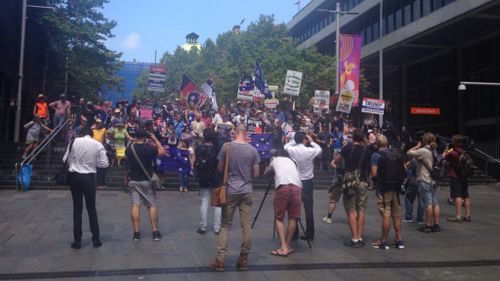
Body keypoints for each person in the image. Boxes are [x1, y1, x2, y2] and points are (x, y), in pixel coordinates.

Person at [211, 124, 260, 272]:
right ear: (246, 133)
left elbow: (220, 168)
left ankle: (220, 260)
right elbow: (256, 174)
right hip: (246, 190)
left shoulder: (227, 147)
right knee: (246, 225)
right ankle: (244, 258)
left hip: (231, 190)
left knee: (226, 225)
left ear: (235, 133)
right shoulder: (253, 150)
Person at [63, 127, 109, 249]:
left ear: (82, 134)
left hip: (75, 177)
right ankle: (96, 238)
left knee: (77, 209)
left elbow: (65, 159)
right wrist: (93, 163)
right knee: (91, 208)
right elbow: (105, 163)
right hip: (89, 177)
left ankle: (77, 241)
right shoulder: (97, 144)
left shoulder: (73, 142)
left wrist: (75, 162)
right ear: (92, 135)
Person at [125, 130, 166, 242]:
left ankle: (136, 233)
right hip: (146, 181)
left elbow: (127, 154)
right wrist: (155, 139)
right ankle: (155, 231)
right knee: (151, 205)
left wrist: (132, 141)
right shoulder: (149, 149)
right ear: (145, 137)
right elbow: (162, 152)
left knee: (135, 205)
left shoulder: (129, 149)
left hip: (133, 180)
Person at [333, 129, 370, 248]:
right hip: (363, 181)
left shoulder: (347, 147)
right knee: (361, 210)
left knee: (351, 210)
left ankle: (354, 238)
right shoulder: (366, 150)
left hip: (350, 182)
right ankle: (360, 237)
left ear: (353, 138)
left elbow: (336, 161)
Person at [284, 131, 322, 241]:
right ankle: (310, 234)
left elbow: (286, 146)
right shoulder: (310, 151)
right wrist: (311, 141)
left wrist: (294, 141)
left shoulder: (292, 149)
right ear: (304, 139)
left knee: (294, 207)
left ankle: (294, 232)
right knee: (308, 208)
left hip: (295, 181)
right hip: (307, 182)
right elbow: (319, 149)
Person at [265, 149, 302, 257]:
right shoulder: (293, 160)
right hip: (296, 187)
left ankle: (283, 247)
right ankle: (288, 245)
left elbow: (266, 173)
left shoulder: (275, 159)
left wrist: (270, 163)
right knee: (293, 217)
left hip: (283, 186)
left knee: (279, 217)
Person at [370, 135, 405, 250]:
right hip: (395, 187)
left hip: (384, 189)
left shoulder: (376, 155)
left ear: (377, 144)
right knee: (396, 214)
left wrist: (377, 182)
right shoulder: (395, 154)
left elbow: (374, 173)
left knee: (386, 214)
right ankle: (399, 240)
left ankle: (384, 241)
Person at [407, 132, 441, 233]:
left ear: (425, 140)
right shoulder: (435, 150)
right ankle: (436, 224)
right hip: (434, 179)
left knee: (428, 203)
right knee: (435, 203)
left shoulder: (424, 150)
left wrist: (417, 146)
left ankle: (428, 225)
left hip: (425, 178)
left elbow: (409, 152)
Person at [195, 128, 222, 235]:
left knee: (204, 201)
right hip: (216, 176)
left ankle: (203, 226)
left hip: (204, 176)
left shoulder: (199, 148)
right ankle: (217, 228)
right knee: (217, 203)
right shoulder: (217, 148)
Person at [444, 135, 471, 222]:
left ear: (454, 142)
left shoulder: (453, 153)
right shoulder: (464, 152)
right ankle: (467, 215)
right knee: (466, 195)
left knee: (457, 195)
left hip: (455, 175)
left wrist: (447, 149)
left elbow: (444, 157)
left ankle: (458, 216)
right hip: (464, 176)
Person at [91, 119, 108, 188]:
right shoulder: (92, 130)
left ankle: (100, 182)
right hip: (92, 148)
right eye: (97, 123)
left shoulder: (104, 129)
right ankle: (94, 182)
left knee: (101, 166)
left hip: (100, 149)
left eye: (99, 123)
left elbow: (105, 139)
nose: (98, 124)